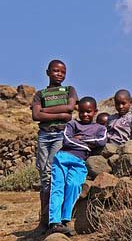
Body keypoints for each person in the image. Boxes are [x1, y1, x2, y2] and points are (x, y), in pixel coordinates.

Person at [31, 59, 78, 232]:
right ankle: (44, 221)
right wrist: (61, 113)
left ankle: (56, 220)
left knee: (55, 173)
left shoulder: (69, 90)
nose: (59, 74)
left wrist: (45, 111)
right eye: (56, 71)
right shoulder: (40, 94)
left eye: (63, 72)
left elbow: (71, 108)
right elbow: (36, 116)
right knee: (44, 176)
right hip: (44, 136)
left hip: (60, 135)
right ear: (48, 72)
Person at [48, 97, 107, 235]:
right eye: (82, 112)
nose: (85, 115)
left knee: (74, 184)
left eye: (88, 112)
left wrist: (81, 139)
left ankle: (65, 218)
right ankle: (54, 222)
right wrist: (86, 145)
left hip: (79, 162)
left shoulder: (100, 128)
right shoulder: (72, 124)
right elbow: (67, 141)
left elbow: (101, 141)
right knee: (57, 187)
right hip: (62, 157)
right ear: (78, 111)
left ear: (95, 112)